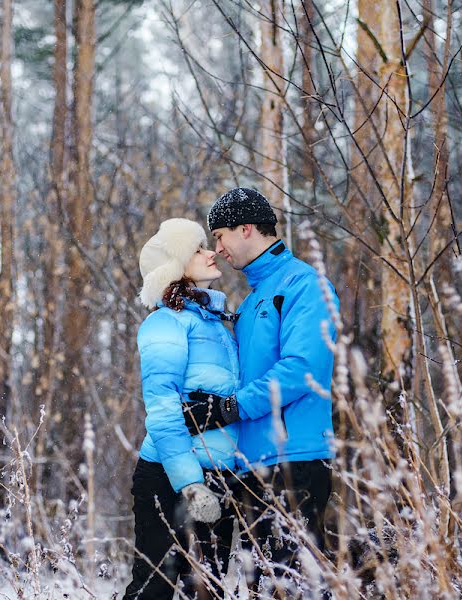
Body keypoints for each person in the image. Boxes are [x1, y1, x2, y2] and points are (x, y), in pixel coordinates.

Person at [184, 188, 339, 595]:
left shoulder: (305, 285)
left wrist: (231, 407)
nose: (218, 249)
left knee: (287, 588)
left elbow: (304, 368)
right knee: (262, 589)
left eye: (220, 236)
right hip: (251, 468)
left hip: (296, 462)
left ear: (247, 229)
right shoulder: (252, 300)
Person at [124, 218, 240, 600]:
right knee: (153, 588)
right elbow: (162, 408)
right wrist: (190, 483)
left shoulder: (218, 326)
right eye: (197, 249)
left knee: (209, 590)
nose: (211, 253)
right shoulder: (165, 323)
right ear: (174, 268)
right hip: (168, 476)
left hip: (218, 475)